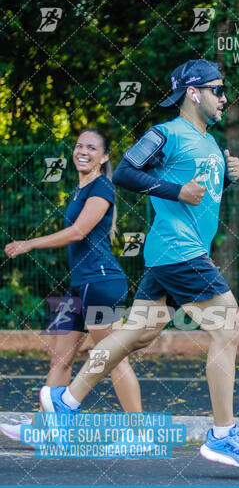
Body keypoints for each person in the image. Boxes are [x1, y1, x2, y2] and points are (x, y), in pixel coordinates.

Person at [38, 60, 239, 468]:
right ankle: (222, 436)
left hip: (172, 253)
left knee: (134, 335)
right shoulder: (165, 133)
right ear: (193, 93)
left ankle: (66, 400)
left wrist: (229, 176)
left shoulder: (209, 141)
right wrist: (175, 190)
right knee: (229, 328)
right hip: (179, 250)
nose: (224, 98)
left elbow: (203, 189)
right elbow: (126, 171)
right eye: (217, 90)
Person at [1, 129, 142, 441]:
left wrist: (30, 244)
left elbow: (78, 232)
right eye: (79, 145)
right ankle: (46, 429)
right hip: (79, 287)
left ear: (104, 157)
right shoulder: (81, 189)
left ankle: (139, 433)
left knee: (112, 360)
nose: (83, 151)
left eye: (92, 147)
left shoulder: (102, 187)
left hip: (101, 283)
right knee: (59, 358)